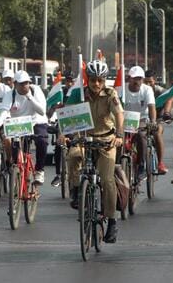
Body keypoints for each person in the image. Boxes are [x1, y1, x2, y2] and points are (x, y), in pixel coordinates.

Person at [61, 60, 124, 243]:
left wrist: (119, 134)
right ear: (87, 79)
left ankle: (112, 221)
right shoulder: (78, 93)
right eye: (93, 80)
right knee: (72, 155)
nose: (96, 84)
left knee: (107, 180)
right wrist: (62, 134)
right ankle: (75, 190)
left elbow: (119, 114)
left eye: (100, 80)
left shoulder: (111, 94)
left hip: (106, 140)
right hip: (84, 139)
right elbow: (66, 114)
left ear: (104, 80)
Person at [0, 70, 49, 185]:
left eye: (26, 83)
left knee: (42, 141)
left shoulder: (35, 90)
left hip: (36, 121)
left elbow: (42, 111)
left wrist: (30, 97)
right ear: (15, 84)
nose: (24, 86)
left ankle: (39, 170)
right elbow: (4, 113)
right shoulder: (10, 94)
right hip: (19, 124)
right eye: (21, 84)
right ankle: (17, 176)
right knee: (16, 153)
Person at [124, 66, 156, 180]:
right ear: (129, 78)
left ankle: (141, 164)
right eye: (134, 78)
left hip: (141, 119)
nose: (137, 81)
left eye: (139, 78)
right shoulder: (122, 89)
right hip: (125, 119)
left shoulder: (147, 89)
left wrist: (153, 122)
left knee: (141, 136)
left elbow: (152, 107)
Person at [48, 71, 75, 187]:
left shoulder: (80, 94)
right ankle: (58, 174)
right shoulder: (61, 93)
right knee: (59, 146)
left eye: (72, 81)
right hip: (63, 124)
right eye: (68, 81)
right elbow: (52, 111)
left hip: (76, 125)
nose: (70, 83)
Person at [143, 70, 168, 174]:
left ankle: (160, 163)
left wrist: (166, 112)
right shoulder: (140, 90)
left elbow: (172, 97)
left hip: (157, 119)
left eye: (150, 82)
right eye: (146, 82)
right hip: (142, 120)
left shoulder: (161, 91)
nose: (148, 84)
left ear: (155, 81)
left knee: (157, 133)